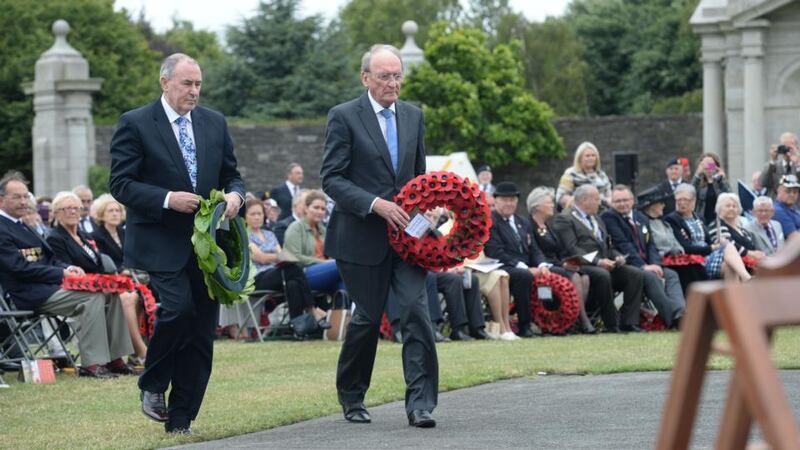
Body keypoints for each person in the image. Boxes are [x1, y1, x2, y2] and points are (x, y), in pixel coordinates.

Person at [109, 53, 245, 434]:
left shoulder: (214, 123)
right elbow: (121, 184)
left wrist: (236, 197)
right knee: (178, 309)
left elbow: (233, 175)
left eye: (199, 84)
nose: (195, 91)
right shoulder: (135, 123)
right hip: (158, 241)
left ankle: (181, 420)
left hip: (206, 247)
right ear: (164, 82)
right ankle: (152, 384)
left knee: (202, 333)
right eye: (187, 83)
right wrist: (168, 198)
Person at [321, 44, 437, 428]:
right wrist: (375, 204)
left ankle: (420, 403)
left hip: (408, 238)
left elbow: (419, 179)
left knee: (417, 313)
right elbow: (332, 178)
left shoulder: (413, 116)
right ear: (365, 77)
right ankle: (352, 396)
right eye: (385, 76)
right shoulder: (344, 117)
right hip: (360, 237)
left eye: (397, 75)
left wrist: (431, 211)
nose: (393, 83)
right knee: (368, 319)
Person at [0, 171, 133, 378]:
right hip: (28, 293)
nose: (24, 201)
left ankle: (115, 358)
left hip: (50, 287)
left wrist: (67, 268)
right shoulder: (3, 227)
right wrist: (61, 272)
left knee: (112, 293)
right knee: (93, 297)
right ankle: (93, 363)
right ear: (1, 200)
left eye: (26, 196)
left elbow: (49, 259)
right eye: (17, 197)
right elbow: (19, 268)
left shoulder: (23, 225)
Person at [47, 191, 146, 370]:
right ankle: (95, 361)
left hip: (95, 286)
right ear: (56, 213)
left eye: (76, 208)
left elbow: (99, 265)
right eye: (66, 208)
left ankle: (116, 358)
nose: (72, 212)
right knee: (104, 297)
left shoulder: (85, 236)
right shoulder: (55, 237)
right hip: (75, 287)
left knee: (117, 295)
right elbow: (65, 268)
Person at [550, 185, 645, 332]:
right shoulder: (565, 219)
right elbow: (572, 248)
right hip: (581, 265)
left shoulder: (597, 218)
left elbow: (607, 246)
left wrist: (617, 256)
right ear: (584, 200)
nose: (599, 202)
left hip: (604, 263)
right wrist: (598, 262)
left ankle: (629, 322)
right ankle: (611, 323)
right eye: (596, 199)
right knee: (602, 275)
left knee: (634, 274)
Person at [602, 185, 685, 329]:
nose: (622, 204)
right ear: (612, 203)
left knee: (671, 274)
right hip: (627, 264)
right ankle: (673, 320)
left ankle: (680, 313)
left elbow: (650, 244)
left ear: (632, 200)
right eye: (617, 201)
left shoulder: (640, 217)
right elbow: (622, 244)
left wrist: (655, 264)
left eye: (625, 200)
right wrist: (644, 266)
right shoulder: (610, 217)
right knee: (650, 276)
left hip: (648, 263)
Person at [240, 199, 324, 338]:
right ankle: (312, 310)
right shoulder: (244, 235)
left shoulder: (270, 235)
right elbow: (260, 257)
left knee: (293, 283)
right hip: (256, 279)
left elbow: (282, 256)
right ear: (245, 217)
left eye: (259, 214)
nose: (257, 217)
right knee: (292, 268)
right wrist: (277, 256)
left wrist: (278, 256)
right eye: (253, 214)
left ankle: (298, 329)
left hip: (278, 275)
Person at [485, 181, 555, 337]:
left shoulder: (522, 221)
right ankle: (525, 325)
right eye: (505, 200)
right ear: (495, 201)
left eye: (513, 200)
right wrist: (523, 266)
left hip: (525, 265)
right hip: (503, 265)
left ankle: (552, 323)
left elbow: (534, 249)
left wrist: (542, 265)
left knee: (557, 272)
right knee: (524, 276)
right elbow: (495, 252)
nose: (509, 203)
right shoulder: (490, 221)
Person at [527, 186, 597, 334]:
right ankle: (583, 321)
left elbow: (559, 250)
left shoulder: (548, 226)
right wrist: (562, 264)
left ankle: (570, 320)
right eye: (549, 202)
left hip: (557, 264)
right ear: (537, 206)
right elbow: (535, 252)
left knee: (585, 278)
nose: (553, 205)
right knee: (576, 277)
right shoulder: (529, 226)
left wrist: (568, 261)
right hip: (541, 266)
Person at [664, 184, 753, 282]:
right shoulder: (672, 219)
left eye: (685, 200)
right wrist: (711, 248)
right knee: (728, 247)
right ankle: (747, 278)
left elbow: (709, 241)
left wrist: (715, 245)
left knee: (729, 267)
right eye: (679, 200)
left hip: (707, 256)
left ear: (694, 201)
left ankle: (734, 296)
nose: (682, 203)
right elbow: (685, 247)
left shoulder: (699, 218)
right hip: (694, 260)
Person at [637, 186, 708, 294]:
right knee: (691, 269)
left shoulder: (664, 223)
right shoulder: (645, 224)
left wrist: (678, 251)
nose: (664, 206)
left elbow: (675, 242)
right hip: (661, 260)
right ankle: (692, 305)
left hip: (676, 257)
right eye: (661, 203)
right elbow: (651, 246)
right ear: (652, 206)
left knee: (696, 267)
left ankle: (703, 304)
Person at [283, 191, 345, 296]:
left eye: (323, 209)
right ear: (306, 208)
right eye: (316, 207)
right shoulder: (295, 228)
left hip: (327, 271)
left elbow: (333, 253)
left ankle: (344, 309)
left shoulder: (324, 230)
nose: (320, 211)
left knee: (346, 282)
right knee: (342, 265)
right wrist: (324, 263)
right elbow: (294, 257)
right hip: (303, 274)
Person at [708, 193, 766, 279]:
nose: (731, 208)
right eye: (728, 206)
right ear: (719, 208)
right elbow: (727, 244)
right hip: (729, 266)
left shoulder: (742, 229)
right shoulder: (717, 225)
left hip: (750, 265)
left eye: (734, 206)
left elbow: (752, 247)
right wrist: (750, 253)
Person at [556, 142, 612, 209]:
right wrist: (578, 204)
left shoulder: (602, 175)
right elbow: (561, 197)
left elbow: (609, 196)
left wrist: (607, 201)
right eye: (587, 156)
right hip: (578, 213)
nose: (590, 158)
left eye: (593, 155)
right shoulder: (570, 174)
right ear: (579, 158)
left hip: (602, 213)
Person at [691, 152, 730, 225]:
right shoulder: (698, 182)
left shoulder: (720, 182)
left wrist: (722, 179)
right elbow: (689, 193)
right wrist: (697, 175)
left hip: (719, 220)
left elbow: (730, 196)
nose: (708, 167)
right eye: (705, 164)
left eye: (710, 164)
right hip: (702, 220)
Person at [759, 132, 798, 197]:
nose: (787, 149)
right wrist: (773, 160)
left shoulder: (798, 165)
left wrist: (797, 162)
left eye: (790, 146)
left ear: (797, 148)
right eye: (784, 146)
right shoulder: (773, 165)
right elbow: (763, 182)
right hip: (776, 204)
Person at [772, 174, 800, 240]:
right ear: (778, 191)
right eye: (788, 191)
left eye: (795, 192)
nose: (792, 195)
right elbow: (794, 238)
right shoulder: (777, 211)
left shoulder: (794, 209)